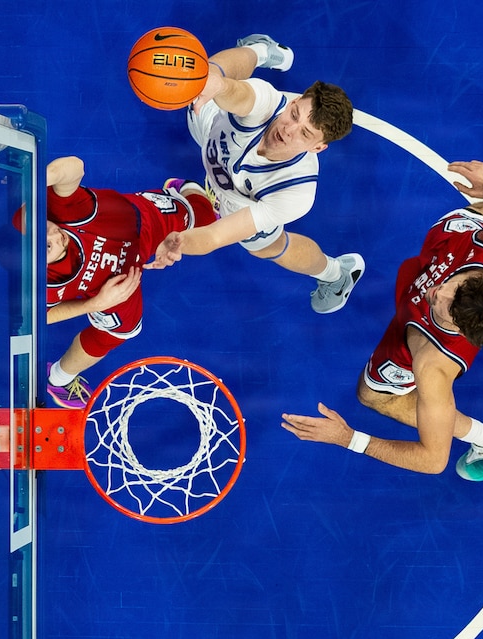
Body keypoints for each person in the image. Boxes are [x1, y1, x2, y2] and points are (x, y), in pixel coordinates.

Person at [280, 156, 483, 480]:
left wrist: (348, 439)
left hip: (412, 329)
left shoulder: (433, 366)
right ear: (480, 280)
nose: (437, 293)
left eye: (446, 307)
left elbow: (432, 460)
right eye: (454, 288)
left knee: (372, 396)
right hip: (453, 244)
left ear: (460, 329)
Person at [148, 34, 361, 314]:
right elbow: (236, 92)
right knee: (206, 80)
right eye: (295, 114)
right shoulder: (267, 103)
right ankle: (261, 51)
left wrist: (180, 242)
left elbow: (214, 236)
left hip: (241, 201)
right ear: (294, 100)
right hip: (211, 131)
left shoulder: (294, 193)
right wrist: (215, 82)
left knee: (266, 247)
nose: (288, 129)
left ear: (318, 148)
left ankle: (335, 274)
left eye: (305, 133)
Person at [43, 155, 217, 409]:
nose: (56, 234)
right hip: (115, 280)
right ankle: (57, 379)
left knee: (203, 215)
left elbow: (75, 167)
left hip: (134, 221)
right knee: (121, 329)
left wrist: (42, 181)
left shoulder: (62, 212)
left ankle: (178, 192)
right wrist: (94, 304)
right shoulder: (43, 285)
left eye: (45, 227)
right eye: (48, 245)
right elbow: (38, 316)